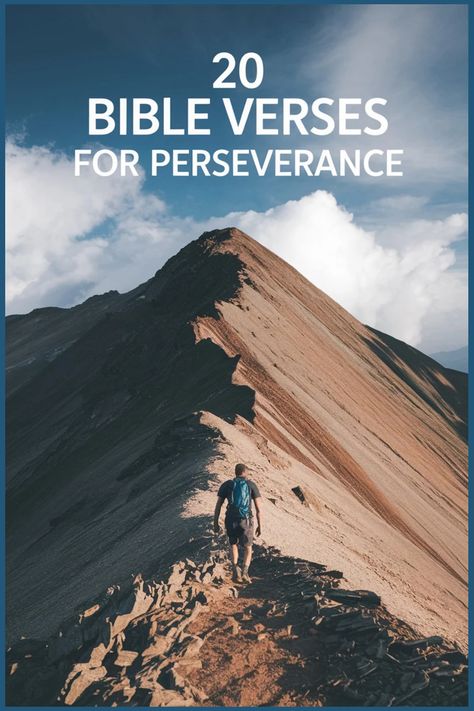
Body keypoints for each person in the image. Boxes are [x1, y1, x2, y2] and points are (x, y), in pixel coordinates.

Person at [213, 463, 262, 583]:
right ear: (245, 472)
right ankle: (245, 572)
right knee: (248, 547)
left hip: (230, 519)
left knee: (233, 544)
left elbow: (218, 504)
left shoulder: (227, 484)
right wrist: (260, 525)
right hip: (246, 519)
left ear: (235, 472)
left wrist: (215, 522)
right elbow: (258, 509)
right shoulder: (251, 485)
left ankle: (236, 571)